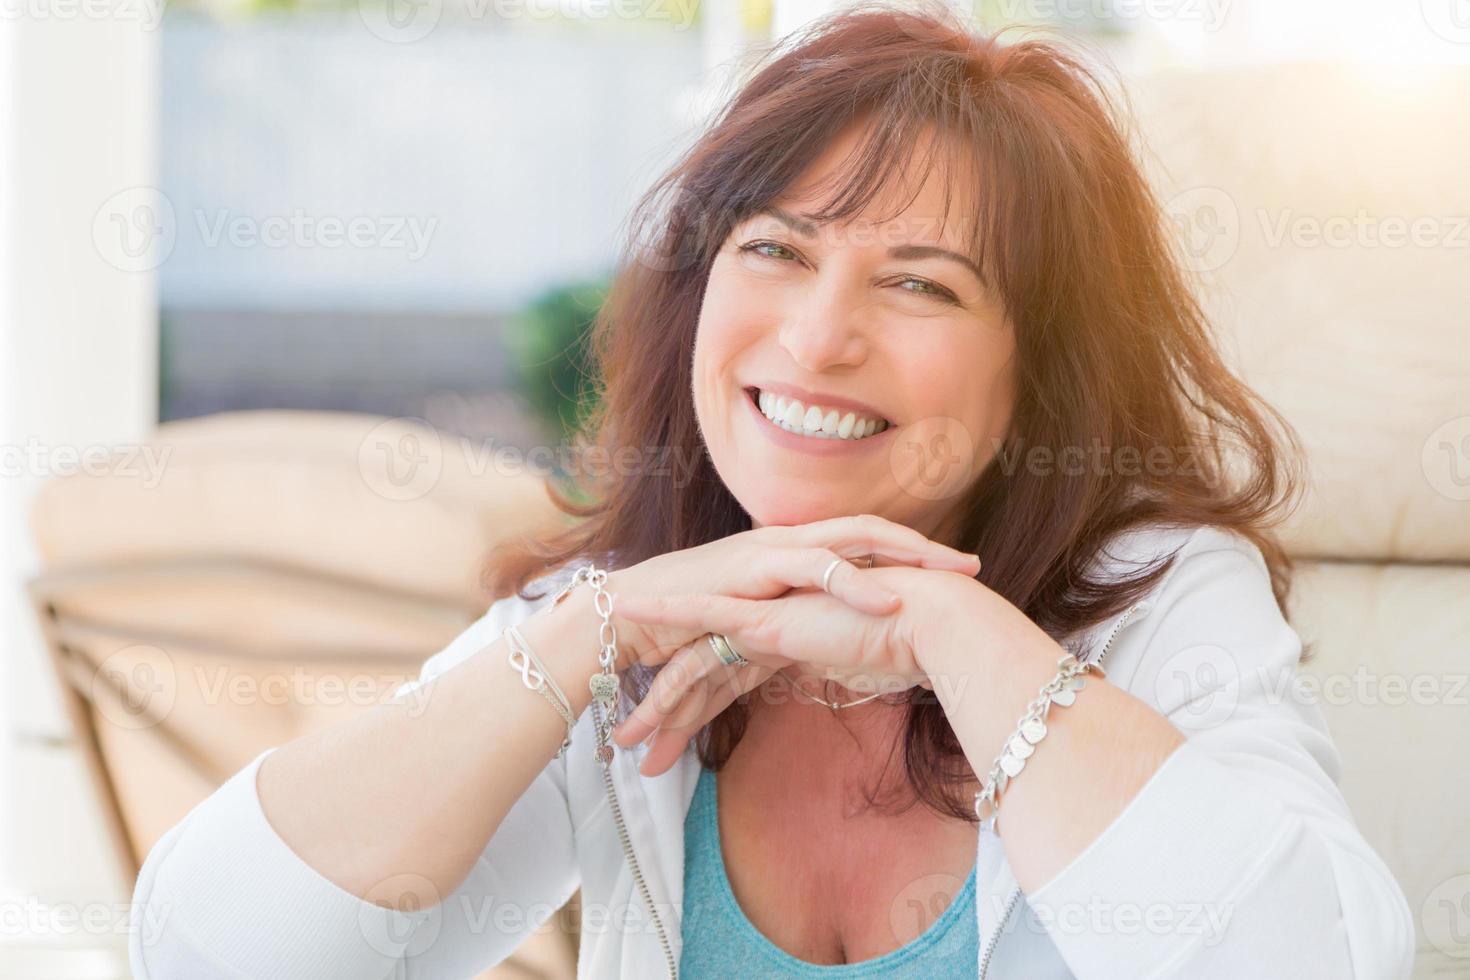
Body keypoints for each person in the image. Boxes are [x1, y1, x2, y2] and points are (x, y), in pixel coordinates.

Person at [128, 3, 1415, 977]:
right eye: (774, 252)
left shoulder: (1164, 599)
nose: (813, 339)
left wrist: (948, 631)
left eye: (921, 282)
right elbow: (208, 948)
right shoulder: (626, 617)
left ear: (1047, 370)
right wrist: (585, 635)